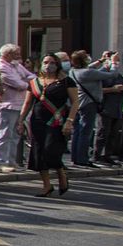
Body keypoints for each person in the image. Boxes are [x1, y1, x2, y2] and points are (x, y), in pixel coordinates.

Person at [18, 52, 80, 197]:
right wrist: (21, 120)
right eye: (46, 62)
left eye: (52, 62)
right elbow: (27, 103)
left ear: (57, 65)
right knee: (38, 153)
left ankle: (61, 174)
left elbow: (75, 102)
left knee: (51, 151)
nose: (48, 65)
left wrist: (70, 121)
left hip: (57, 121)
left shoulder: (66, 81)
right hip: (38, 120)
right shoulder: (34, 82)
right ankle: (47, 185)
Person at [67, 50, 111, 168]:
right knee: (86, 132)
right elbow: (111, 74)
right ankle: (82, 159)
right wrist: (113, 64)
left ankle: (75, 157)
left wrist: (101, 61)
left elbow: (91, 69)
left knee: (77, 131)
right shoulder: (87, 73)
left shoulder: (74, 71)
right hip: (88, 104)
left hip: (77, 104)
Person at [0, 43, 33, 169]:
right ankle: (1, 162)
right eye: (16, 54)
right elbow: (18, 84)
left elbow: (32, 76)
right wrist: (27, 83)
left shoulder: (16, 65)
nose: (19, 56)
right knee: (5, 133)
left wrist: (26, 81)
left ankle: (11, 161)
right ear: (7, 54)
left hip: (20, 104)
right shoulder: (1, 66)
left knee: (16, 134)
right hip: (7, 104)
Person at [92, 51, 123, 165]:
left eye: (117, 61)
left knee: (113, 134)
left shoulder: (118, 74)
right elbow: (96, 90)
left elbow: (122, 85)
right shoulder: (100, 73)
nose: (116, 64)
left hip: (117, 108)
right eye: (114, 61)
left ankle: (108, 155)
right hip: (105, 108)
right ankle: (97, 156)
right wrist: (113, 89)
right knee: (102, 133)